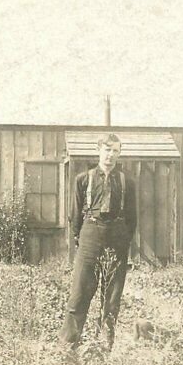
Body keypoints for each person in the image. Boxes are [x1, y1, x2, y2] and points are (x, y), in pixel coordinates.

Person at [59, 133, 136, 350]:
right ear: (98, 150)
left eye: (115, 151)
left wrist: (123, 240)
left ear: (119, 154)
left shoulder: (127, 181)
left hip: (118, 235)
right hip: (91, 233)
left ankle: (105, 346)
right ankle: (68, 346)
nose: (110, 155)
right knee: (80, 293)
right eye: (107, 150)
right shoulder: (83, 179)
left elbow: (132, 218)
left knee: (112, 296)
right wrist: (81, 239)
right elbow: (75, 215)